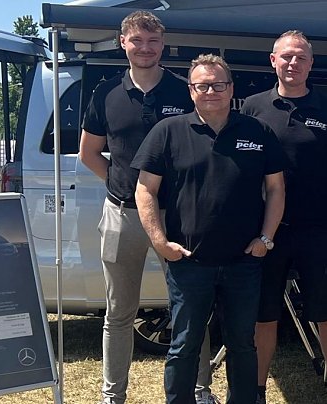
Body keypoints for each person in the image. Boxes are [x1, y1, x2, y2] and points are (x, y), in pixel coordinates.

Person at [77, 10, 217, 404]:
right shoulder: (105, 93)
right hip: (121, 215)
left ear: (162, 44)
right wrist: (126, 187)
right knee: (119, 313)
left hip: (179, 218)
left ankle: (201, 390)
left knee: (190, 310)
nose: (145, 48)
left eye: (152, 41)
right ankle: (112, 395)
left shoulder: (182, 91)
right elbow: (89, 153)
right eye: (137, 40)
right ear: (123, 43)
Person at [132, 54, 286, 404]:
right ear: (191, 90)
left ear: (231, 88)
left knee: (242, 344)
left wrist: (266, 239)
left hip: (244, 262)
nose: (211, 91)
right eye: (203, 85)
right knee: (184, 343)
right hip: (189, 262)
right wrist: (160, 242)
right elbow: (145, 189)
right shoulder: (167, 132)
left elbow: (276, 189)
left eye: (219, 84)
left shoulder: (257, 131)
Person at [239, 30, 327, 404]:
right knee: (264, 314)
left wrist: (326, 211)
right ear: (273, 61)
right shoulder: (252, 107)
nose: (293, 63)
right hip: (266, 232)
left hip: (317, 231)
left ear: (311, 63)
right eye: (286, 56)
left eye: (301, 57)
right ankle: (256, 391)